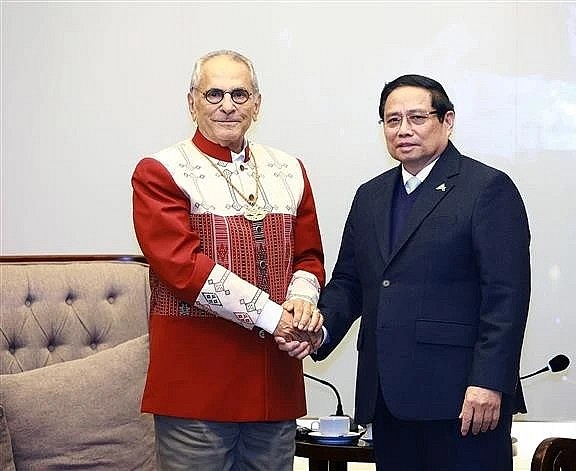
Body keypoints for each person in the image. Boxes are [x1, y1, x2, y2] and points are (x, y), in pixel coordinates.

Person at [279, 74, 530, 470]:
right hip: (388, 399)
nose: (404, 129)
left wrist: (488, 381)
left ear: (447, 121)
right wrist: (319, 329)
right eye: (392, 120)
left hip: (463, 401)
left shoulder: (487, 189)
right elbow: (349, 282)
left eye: (417, 117)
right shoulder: (370, 195)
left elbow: (507, 297)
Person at [131, 49, 324, 471]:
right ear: (192, 102)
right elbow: (185, 269)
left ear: (257, 104)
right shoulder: (160, 170)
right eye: (214, 93)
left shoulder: (289, 168)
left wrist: (303, 304)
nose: (227, 105)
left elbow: (307, 255)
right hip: (196, 388)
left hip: (275, 383)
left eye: (239, 94)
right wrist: (277, 317)